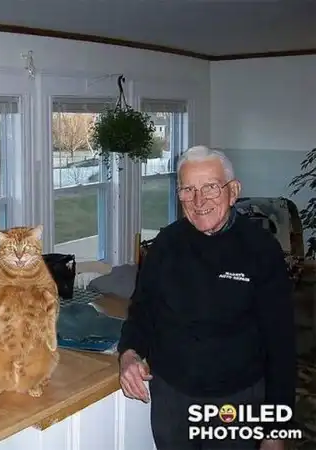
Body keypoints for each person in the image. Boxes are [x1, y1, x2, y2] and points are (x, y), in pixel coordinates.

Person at [117, 146, 296, 450]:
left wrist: (276, 428)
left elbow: (281, 343)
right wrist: (129, 353)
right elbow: (143, 310)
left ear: (233, 191)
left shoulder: (261, 249)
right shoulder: (165, 244)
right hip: (172, 399)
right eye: (188, 190)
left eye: (210, 187)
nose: (199, 201)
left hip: (236, 403)